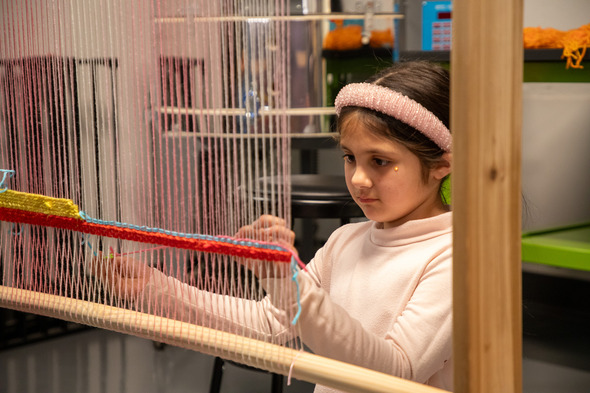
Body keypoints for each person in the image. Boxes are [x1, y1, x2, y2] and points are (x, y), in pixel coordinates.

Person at [91, 60, 453, 392]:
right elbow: (270, 325)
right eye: (350, 157)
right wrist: (154, 288)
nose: (358, 178)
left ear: (441, 164)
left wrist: (291, 288)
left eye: (379, 160)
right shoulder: (345, 240)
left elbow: (396, 371)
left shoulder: (453, 257)